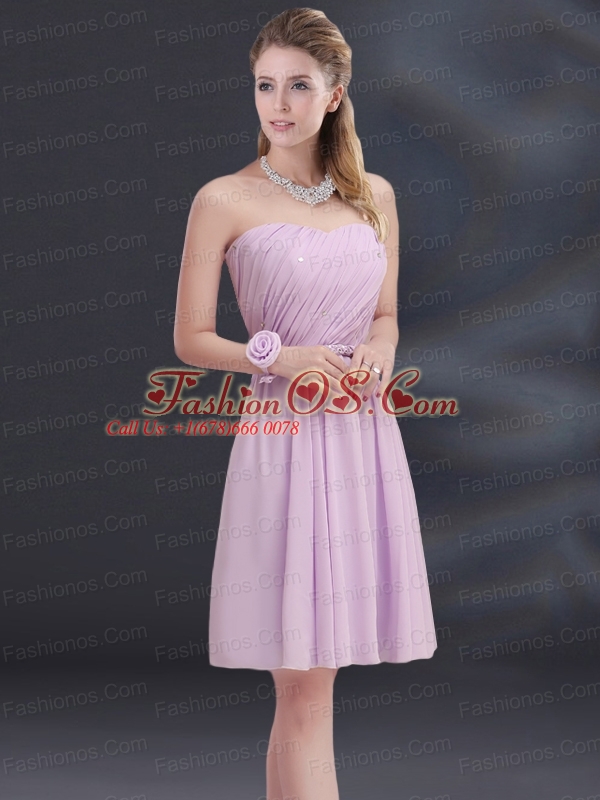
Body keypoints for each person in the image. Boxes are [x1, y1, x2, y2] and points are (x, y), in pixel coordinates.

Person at [173, 8, 437, 800]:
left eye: (297, 85)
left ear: (335, 93)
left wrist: (381, 351)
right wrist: (275, 356)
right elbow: (191, 339)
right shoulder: (223, 199)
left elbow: (385, 315)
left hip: (361, 436)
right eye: (264, 85)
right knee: (301, 680)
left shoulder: (375, 197)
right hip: (283, 437)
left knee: (317, 680)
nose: (278, 104)